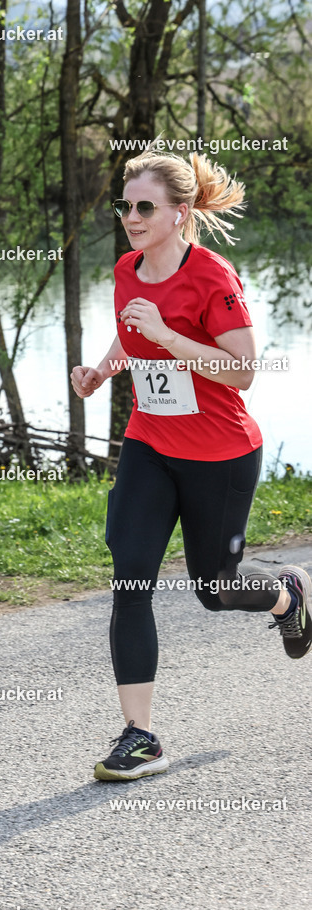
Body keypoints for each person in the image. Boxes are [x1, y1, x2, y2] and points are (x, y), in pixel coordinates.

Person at [70, 145, 312, 782]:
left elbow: (243, 371)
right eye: (126, 206)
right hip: (150, 444)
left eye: (145, 206)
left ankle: (288, 594)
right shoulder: (127, 269)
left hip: (219, 454)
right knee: (130, 575)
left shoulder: (212, 277)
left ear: (179, 213)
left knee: (216, 588)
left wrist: (172, 337)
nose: (132, 216)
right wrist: (103, 368)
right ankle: (139, 735)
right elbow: (130, 332)